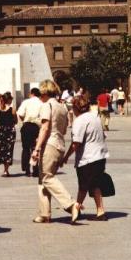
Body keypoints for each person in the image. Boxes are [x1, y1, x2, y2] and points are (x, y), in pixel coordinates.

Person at [31, 80, 79, 224]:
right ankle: (44, 213)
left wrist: (37, 148)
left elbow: (45, 128)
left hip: (49, 145)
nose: (39, 96)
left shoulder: (47, 106)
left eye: (40, 93)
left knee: (47, 177)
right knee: (42, 179)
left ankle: (71, 204)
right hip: (60, 146)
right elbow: (64, 130)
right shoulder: (62, 107)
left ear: (45, 92)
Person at [62, 95, 110, 221]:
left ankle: (79, 210)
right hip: (100, 155)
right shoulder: (95, 117)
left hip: (87, 158)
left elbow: (76, 143)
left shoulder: (79, 121)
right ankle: (97, 211)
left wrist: (66, 157)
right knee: (94, 184)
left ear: (75, 108)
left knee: (84, 185)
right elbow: (104, 135)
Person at [17, 87, 42, 177]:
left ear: (31, 94)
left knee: (25, 148)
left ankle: (26, 169)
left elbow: (20, 114)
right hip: (36, 127)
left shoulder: (26, 102)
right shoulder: (41, 103)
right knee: (35, 148)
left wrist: (24, 121)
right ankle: (35, 169)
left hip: (26, 126)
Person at [0, 92, 17, 177]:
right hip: (10, 131)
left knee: (2, 149)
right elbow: (16, 121)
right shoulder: (12, 109)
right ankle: (6, 170)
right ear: (9, 100)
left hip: (1, 131)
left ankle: (5, 169)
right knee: (9, 150)